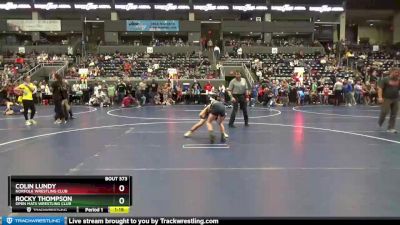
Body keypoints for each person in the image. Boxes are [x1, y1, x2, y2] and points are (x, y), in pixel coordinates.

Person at [378, 68, 400, 133]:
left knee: (394, 113)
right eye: (396, 72)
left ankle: (391, 128)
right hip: (386, 98)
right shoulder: (385, 79)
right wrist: (380, 97)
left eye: (398, 73)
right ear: (391, 72)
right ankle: (380, 121)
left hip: (396, 98)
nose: (397, 74)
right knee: (384, 112)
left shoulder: (398, 80)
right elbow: (380, 88)